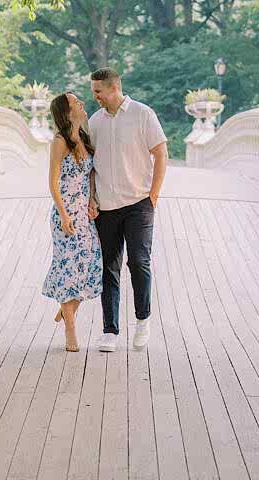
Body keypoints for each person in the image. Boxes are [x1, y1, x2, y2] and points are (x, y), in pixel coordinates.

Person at [88, 68, 168, 352]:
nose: (94, 96)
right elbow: (89, 166)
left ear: (113, 89)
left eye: (97, 91)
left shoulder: (142, 114)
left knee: (138, 262)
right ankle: (110, 330)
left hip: (139, 204)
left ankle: (143, 320)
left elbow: (160, 152)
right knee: (108, 268)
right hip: (106, 208)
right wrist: (92, 197)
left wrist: (153, 196)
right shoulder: (94, 122)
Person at [42, 91, 103, 351]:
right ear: (67, 112)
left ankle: (66, 309)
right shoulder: (60, 141)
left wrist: (92, 201)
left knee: (91, 264)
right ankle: (70, 327)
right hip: (65, 216)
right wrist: (65, 215)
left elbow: (89, 175)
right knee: (69, 267)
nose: (81, 102)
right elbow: (53, 183)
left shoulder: (84, 137)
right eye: (75, 102)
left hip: (83, 213)